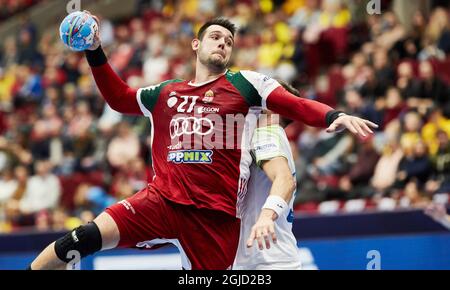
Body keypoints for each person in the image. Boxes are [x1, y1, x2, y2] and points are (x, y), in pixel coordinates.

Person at [29, 15, 377, 270]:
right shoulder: (165, 92)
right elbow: (119, 99)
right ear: (197, 44)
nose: (222, 43)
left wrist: (333, 116)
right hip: (161, 200)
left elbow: (295, 105)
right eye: (215, 37)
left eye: (228, 41)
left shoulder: (246, 84)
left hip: (214, 220)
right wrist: (94, 51)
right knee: (81, 239)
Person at [234, 82, 302, 270]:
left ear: (272, 107)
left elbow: (285, 180)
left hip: (268, 260)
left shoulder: (266, 133)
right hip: (261, 257)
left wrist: (266, 216)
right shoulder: (265, 134)